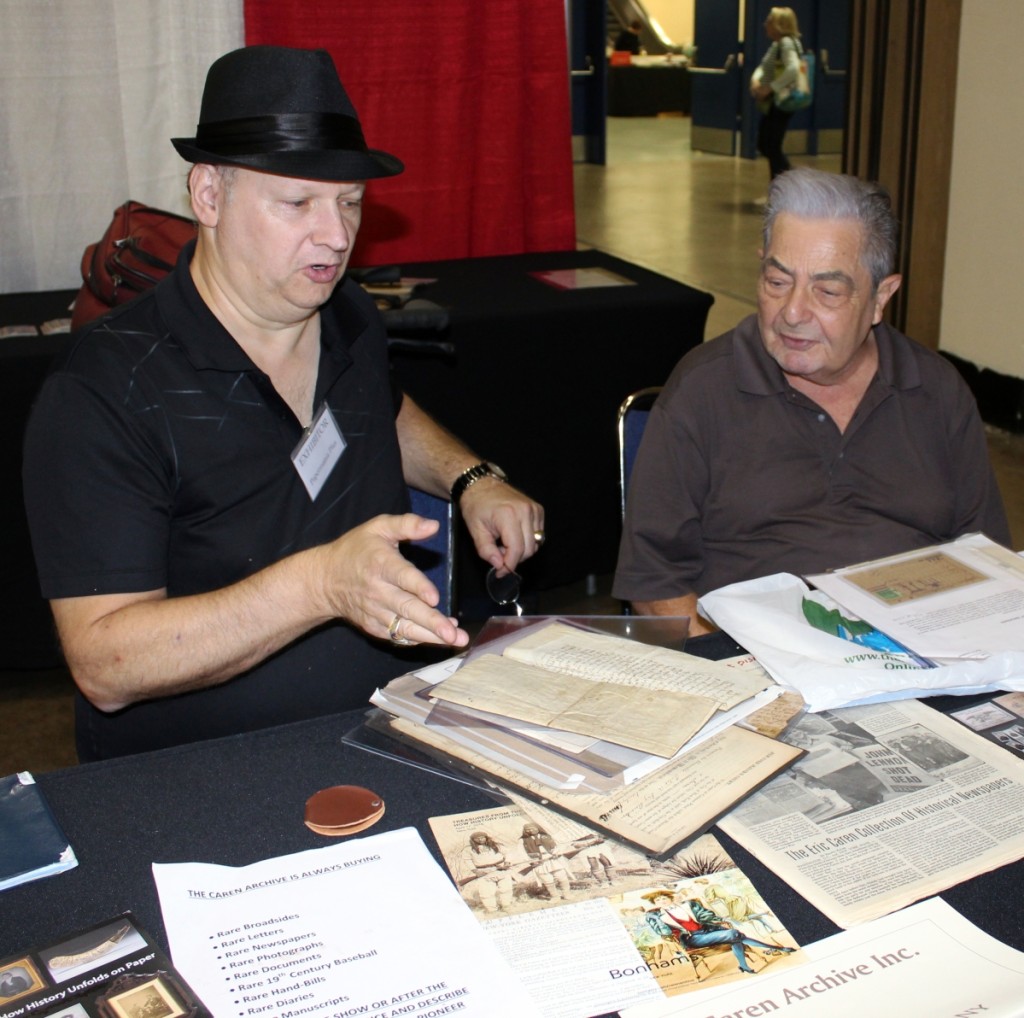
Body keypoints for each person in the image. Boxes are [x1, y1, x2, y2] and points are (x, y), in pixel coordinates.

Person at [22, 46, 544, 761]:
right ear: (209, 196)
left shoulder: (345, 313)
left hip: (386, 731)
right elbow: (106, 665)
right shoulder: (106, 390)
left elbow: (382, 412)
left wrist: (469, 477)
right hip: (206, 773)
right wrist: (320, 585)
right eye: (297, 203)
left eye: (350, 203)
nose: (335, 236)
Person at [614, 168, 1011, 632]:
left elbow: (987, 561)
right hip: (758, 659)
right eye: (777, 282)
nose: (793, 312)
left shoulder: (935, 390)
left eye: (827, 291)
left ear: (881, 297)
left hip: (919, 655)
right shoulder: (703, 390)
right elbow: (653, 583)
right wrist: (734, 667)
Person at [641, 888, 793, 975]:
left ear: (670, 898)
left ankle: (744, 966)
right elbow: (664, 933)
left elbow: (707, 915)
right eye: (658, 901)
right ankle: (776, 948)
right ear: (655, 904)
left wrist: (715, 920)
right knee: (733, 934)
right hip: (693, 939)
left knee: (734, 937)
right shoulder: (658, 916)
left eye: (664, 898)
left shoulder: (689, 905)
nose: (662, 901)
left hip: (710, 931)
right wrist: (658, 920)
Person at [749, 7, 804, 181]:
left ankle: (789, 183)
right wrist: (756, 80)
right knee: (769, 144)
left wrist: (770, 88)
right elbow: (763, 67)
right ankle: (779, 187)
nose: (765, 24)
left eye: (769, 21)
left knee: (769, 144)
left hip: (781, 102)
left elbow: (793, 69)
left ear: (780, 24)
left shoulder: (787, 43)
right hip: (775, 103)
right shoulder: (777, 44)